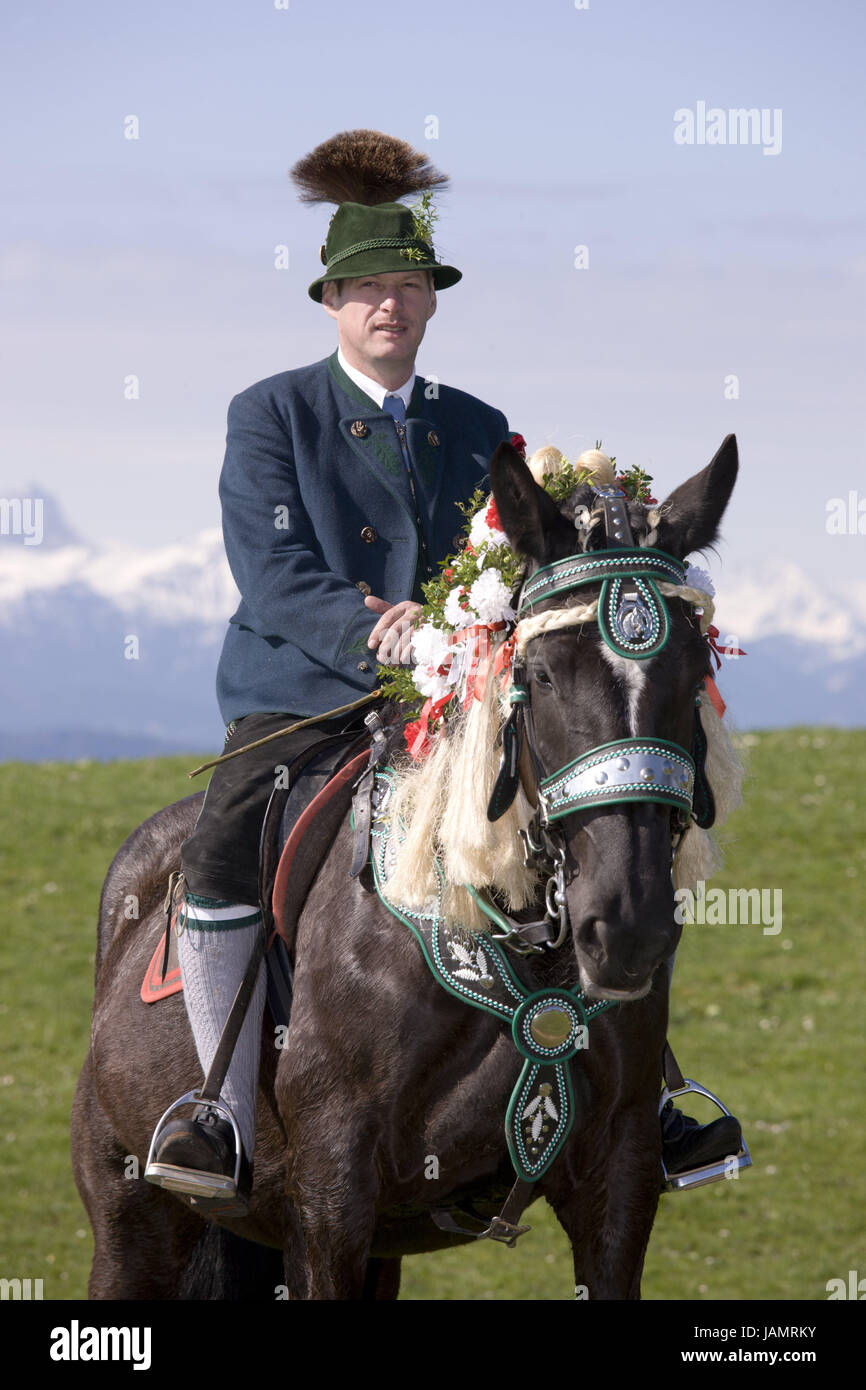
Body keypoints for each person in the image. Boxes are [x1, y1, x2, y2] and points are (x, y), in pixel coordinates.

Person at [144, 131, 511, 1206]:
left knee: (574, 837)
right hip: (297, 693)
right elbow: (273, 573)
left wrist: (448, 627)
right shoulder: (270, 413)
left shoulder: (477, 424)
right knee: (218, 855)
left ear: (431, 302)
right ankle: (215, 1106)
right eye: (364, 289)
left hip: (451, 696)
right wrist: (378, 637)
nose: (386, 305)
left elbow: (498, 556)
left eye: (405, 286)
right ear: (330, 303)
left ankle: (634, 1096)